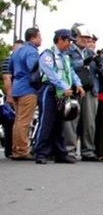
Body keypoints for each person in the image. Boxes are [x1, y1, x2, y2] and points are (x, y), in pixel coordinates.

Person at [33, 29, 84, 165]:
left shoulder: (65, 57)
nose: (70, 44)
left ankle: (60, 153)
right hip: (49, 90)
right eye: (68, 41)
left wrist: (78, 84)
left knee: (59, 123)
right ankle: (41, 152)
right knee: (46, 122)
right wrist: (63, 87)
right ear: (60, 39)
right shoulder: (47, 55)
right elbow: (50, 74)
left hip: (62, 93)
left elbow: (71, 72)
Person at [64, 23, 99, 161]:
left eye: (87, 37)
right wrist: (84, 61)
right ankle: (69, 150)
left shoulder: (90, 52)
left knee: (89, 122)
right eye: (82, 37)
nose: (86, 40)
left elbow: (97, 71)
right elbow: (69, 66)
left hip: (90, 89)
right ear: (75, 37)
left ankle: (88, 150)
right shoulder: (68, 51)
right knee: (71, 121)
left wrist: (99, 63)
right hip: (73, 89)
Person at [8, 29, 42, 160]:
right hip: (28, 88)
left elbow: (10, 69)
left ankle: (16, 148)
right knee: (24, 121)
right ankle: (22, 150)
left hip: (17, 86)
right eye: (39, 37)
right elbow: (33, 68)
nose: (40, 40)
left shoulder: (16, 52)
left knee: (18, 120)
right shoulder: (32, 52)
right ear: (33, 38)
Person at [2, 39, 24, 158]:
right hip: (13, 95)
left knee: (15, 121)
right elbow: (6, 77)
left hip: (19, 92)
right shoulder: (9, 60)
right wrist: (9, 96)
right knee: (11, 121)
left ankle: (12, 148)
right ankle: (11, 149)